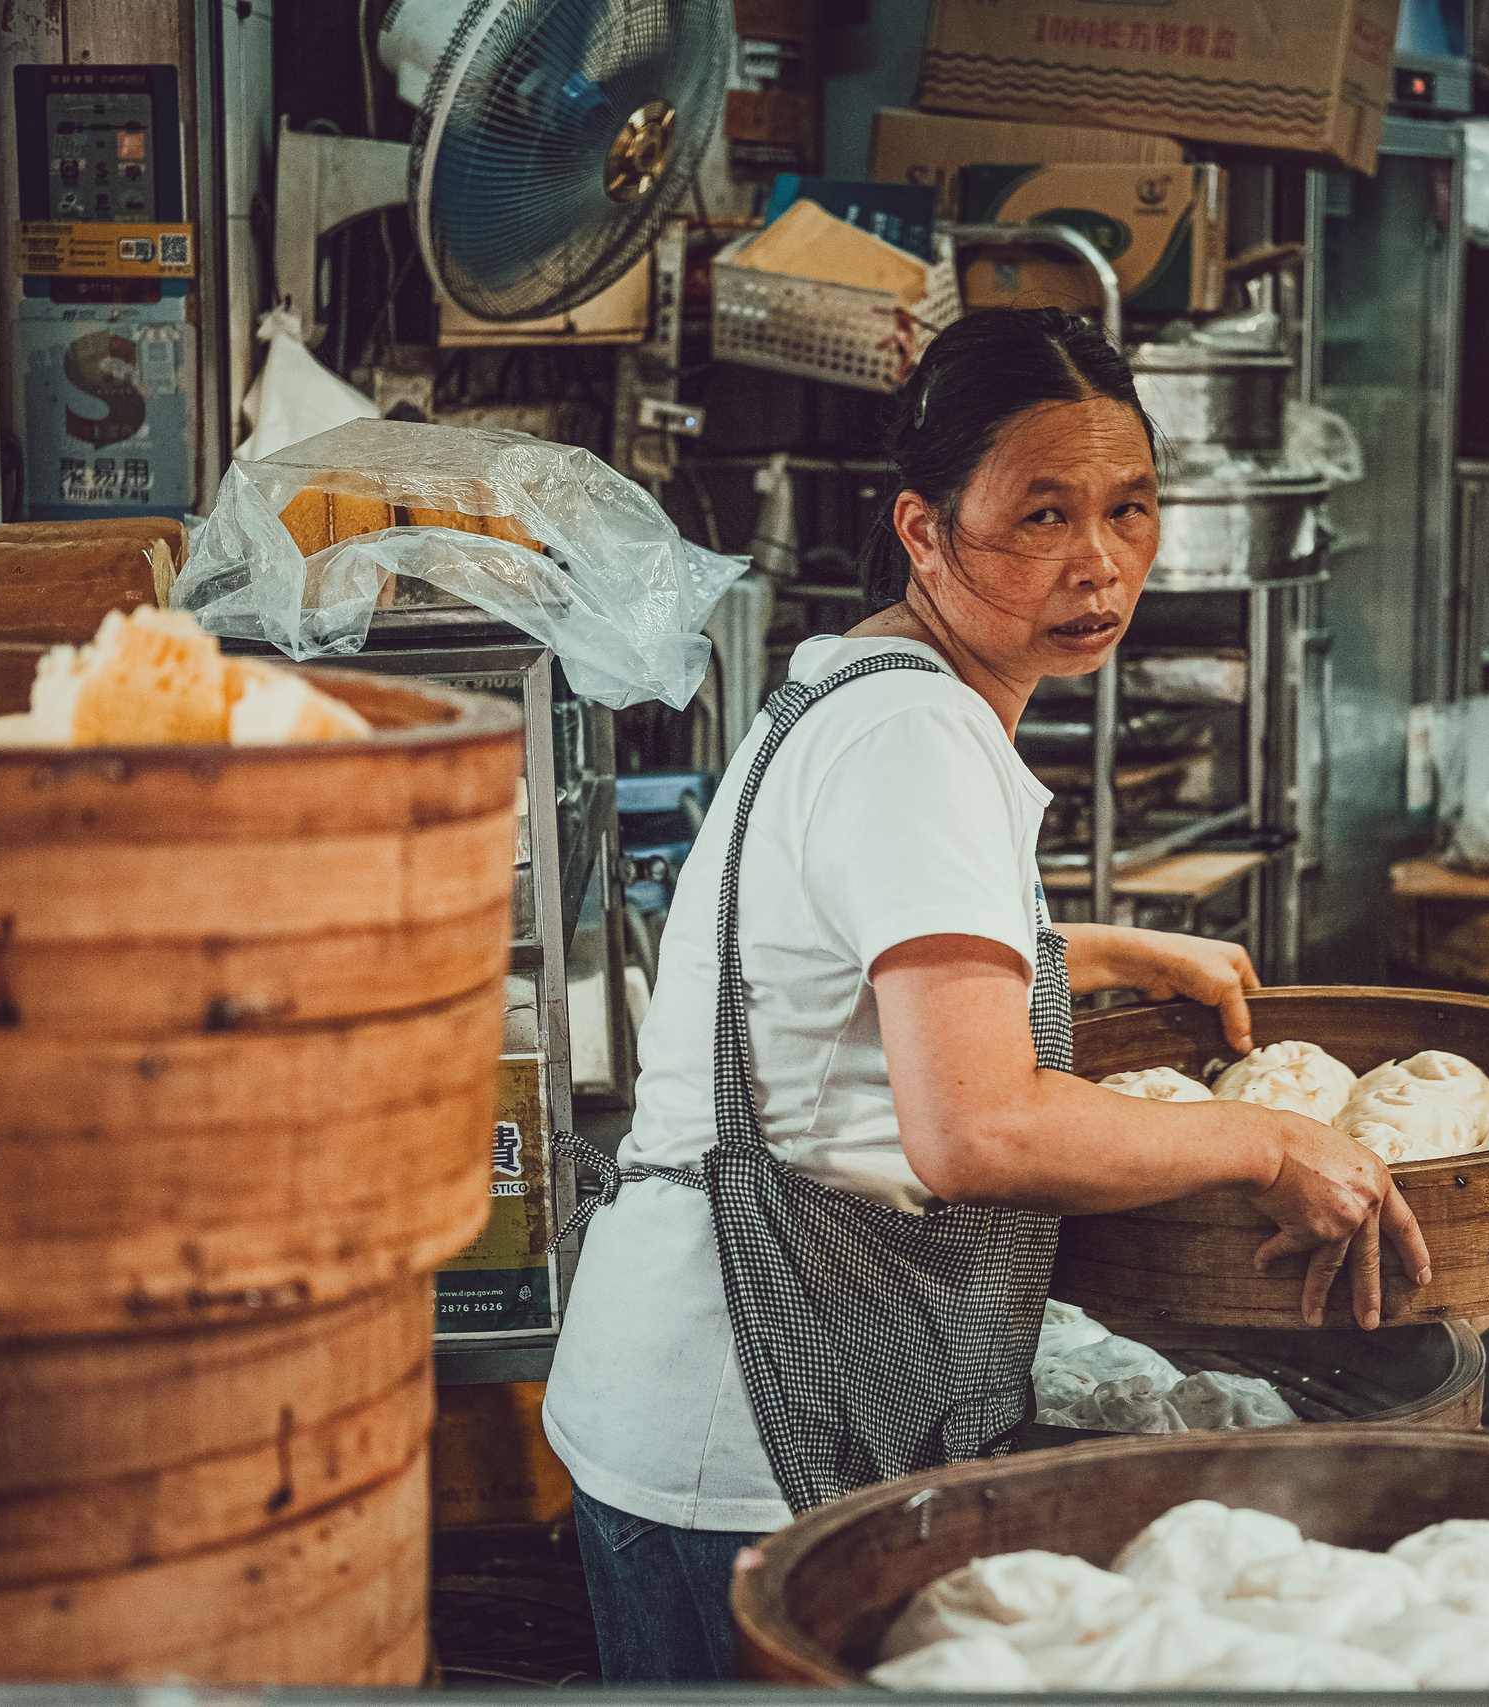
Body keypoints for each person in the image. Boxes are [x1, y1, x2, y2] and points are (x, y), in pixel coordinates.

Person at [539, 308, 1431, 1683]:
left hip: (695, 1398)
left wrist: (1104, 949)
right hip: (747, 1421)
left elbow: (842, 951)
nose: (1099, 563)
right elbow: (981, 1128)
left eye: (1130, 510)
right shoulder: (919, 737)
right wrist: (1274, 1139)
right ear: (923, 527)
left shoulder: (856, 682)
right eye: (1041, 515)